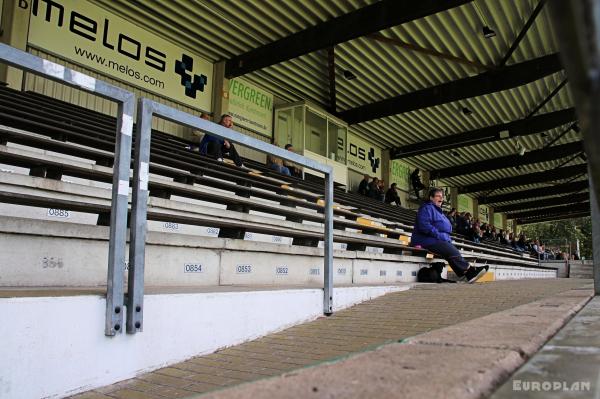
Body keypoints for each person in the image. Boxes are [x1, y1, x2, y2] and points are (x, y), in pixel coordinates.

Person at [410, 188, 489, 283]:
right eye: (438, 196)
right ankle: (470, 271)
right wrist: (439, 235)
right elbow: (424, 226)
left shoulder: (439, 211)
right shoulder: (426, 208)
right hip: (424, 239)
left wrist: (444, 235)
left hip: (434, 239)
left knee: (449, 250)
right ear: (431, 197)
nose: (441, 198)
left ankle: (468, 273)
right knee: (450, 249)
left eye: (442, 197)